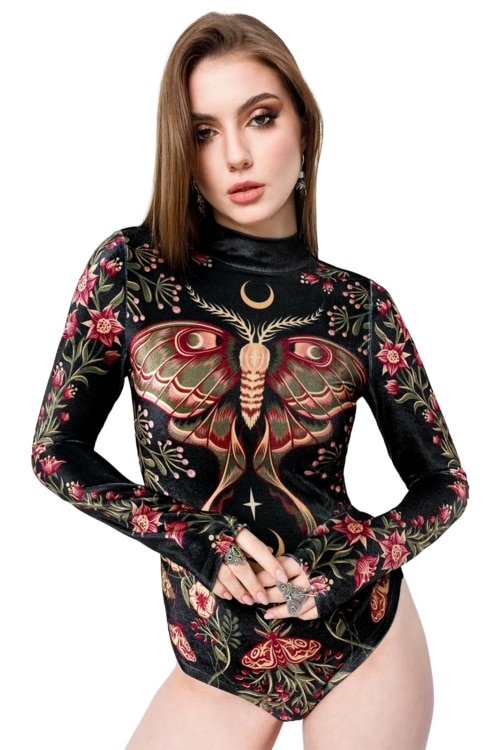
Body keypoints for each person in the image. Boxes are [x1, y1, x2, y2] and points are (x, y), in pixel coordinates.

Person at [31, 11, 468, 750]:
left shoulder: (359, 305)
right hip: (213, 662)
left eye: (260, 118)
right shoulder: (130, 272)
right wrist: (196, 537)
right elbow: (56, 452)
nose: (236, 155)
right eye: (204, 132)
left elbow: (445, 483)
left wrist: (341, 567)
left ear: (304, 127)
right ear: (182, 149)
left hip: (365, 641)